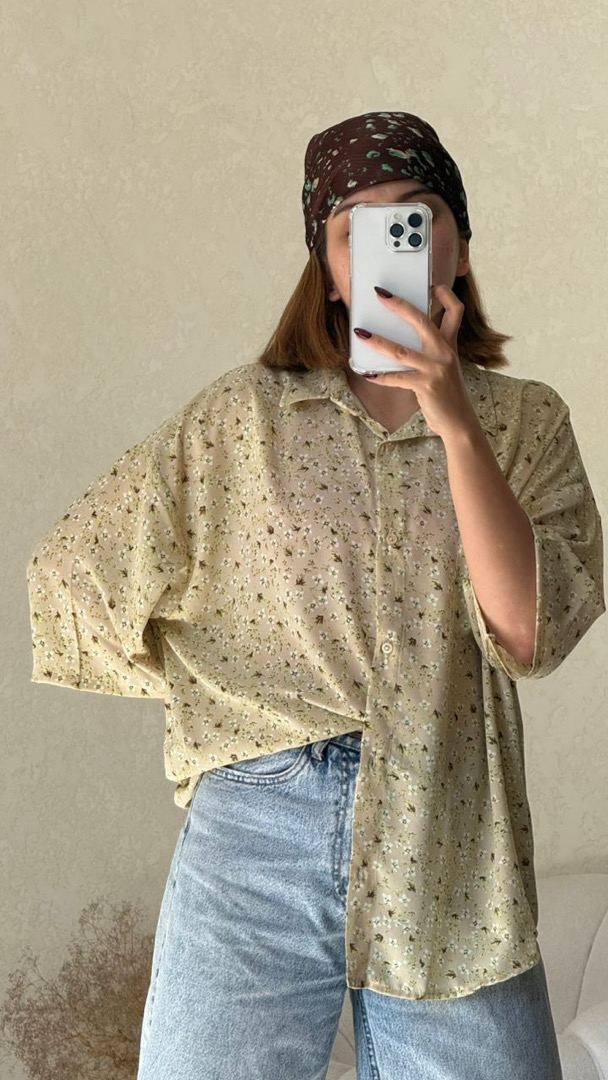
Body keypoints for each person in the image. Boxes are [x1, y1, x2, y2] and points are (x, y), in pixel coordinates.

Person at [27, 111, 605, 1079]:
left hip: (449, 826)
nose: (390, 244)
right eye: (355, 228)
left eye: (415, 217)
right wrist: (218, 697)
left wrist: (454, 421)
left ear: (459, 243)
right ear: (329, 268)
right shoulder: (239, 419)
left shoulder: (524, 423)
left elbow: (527, 633)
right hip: (257, 823)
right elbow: (71, 576)